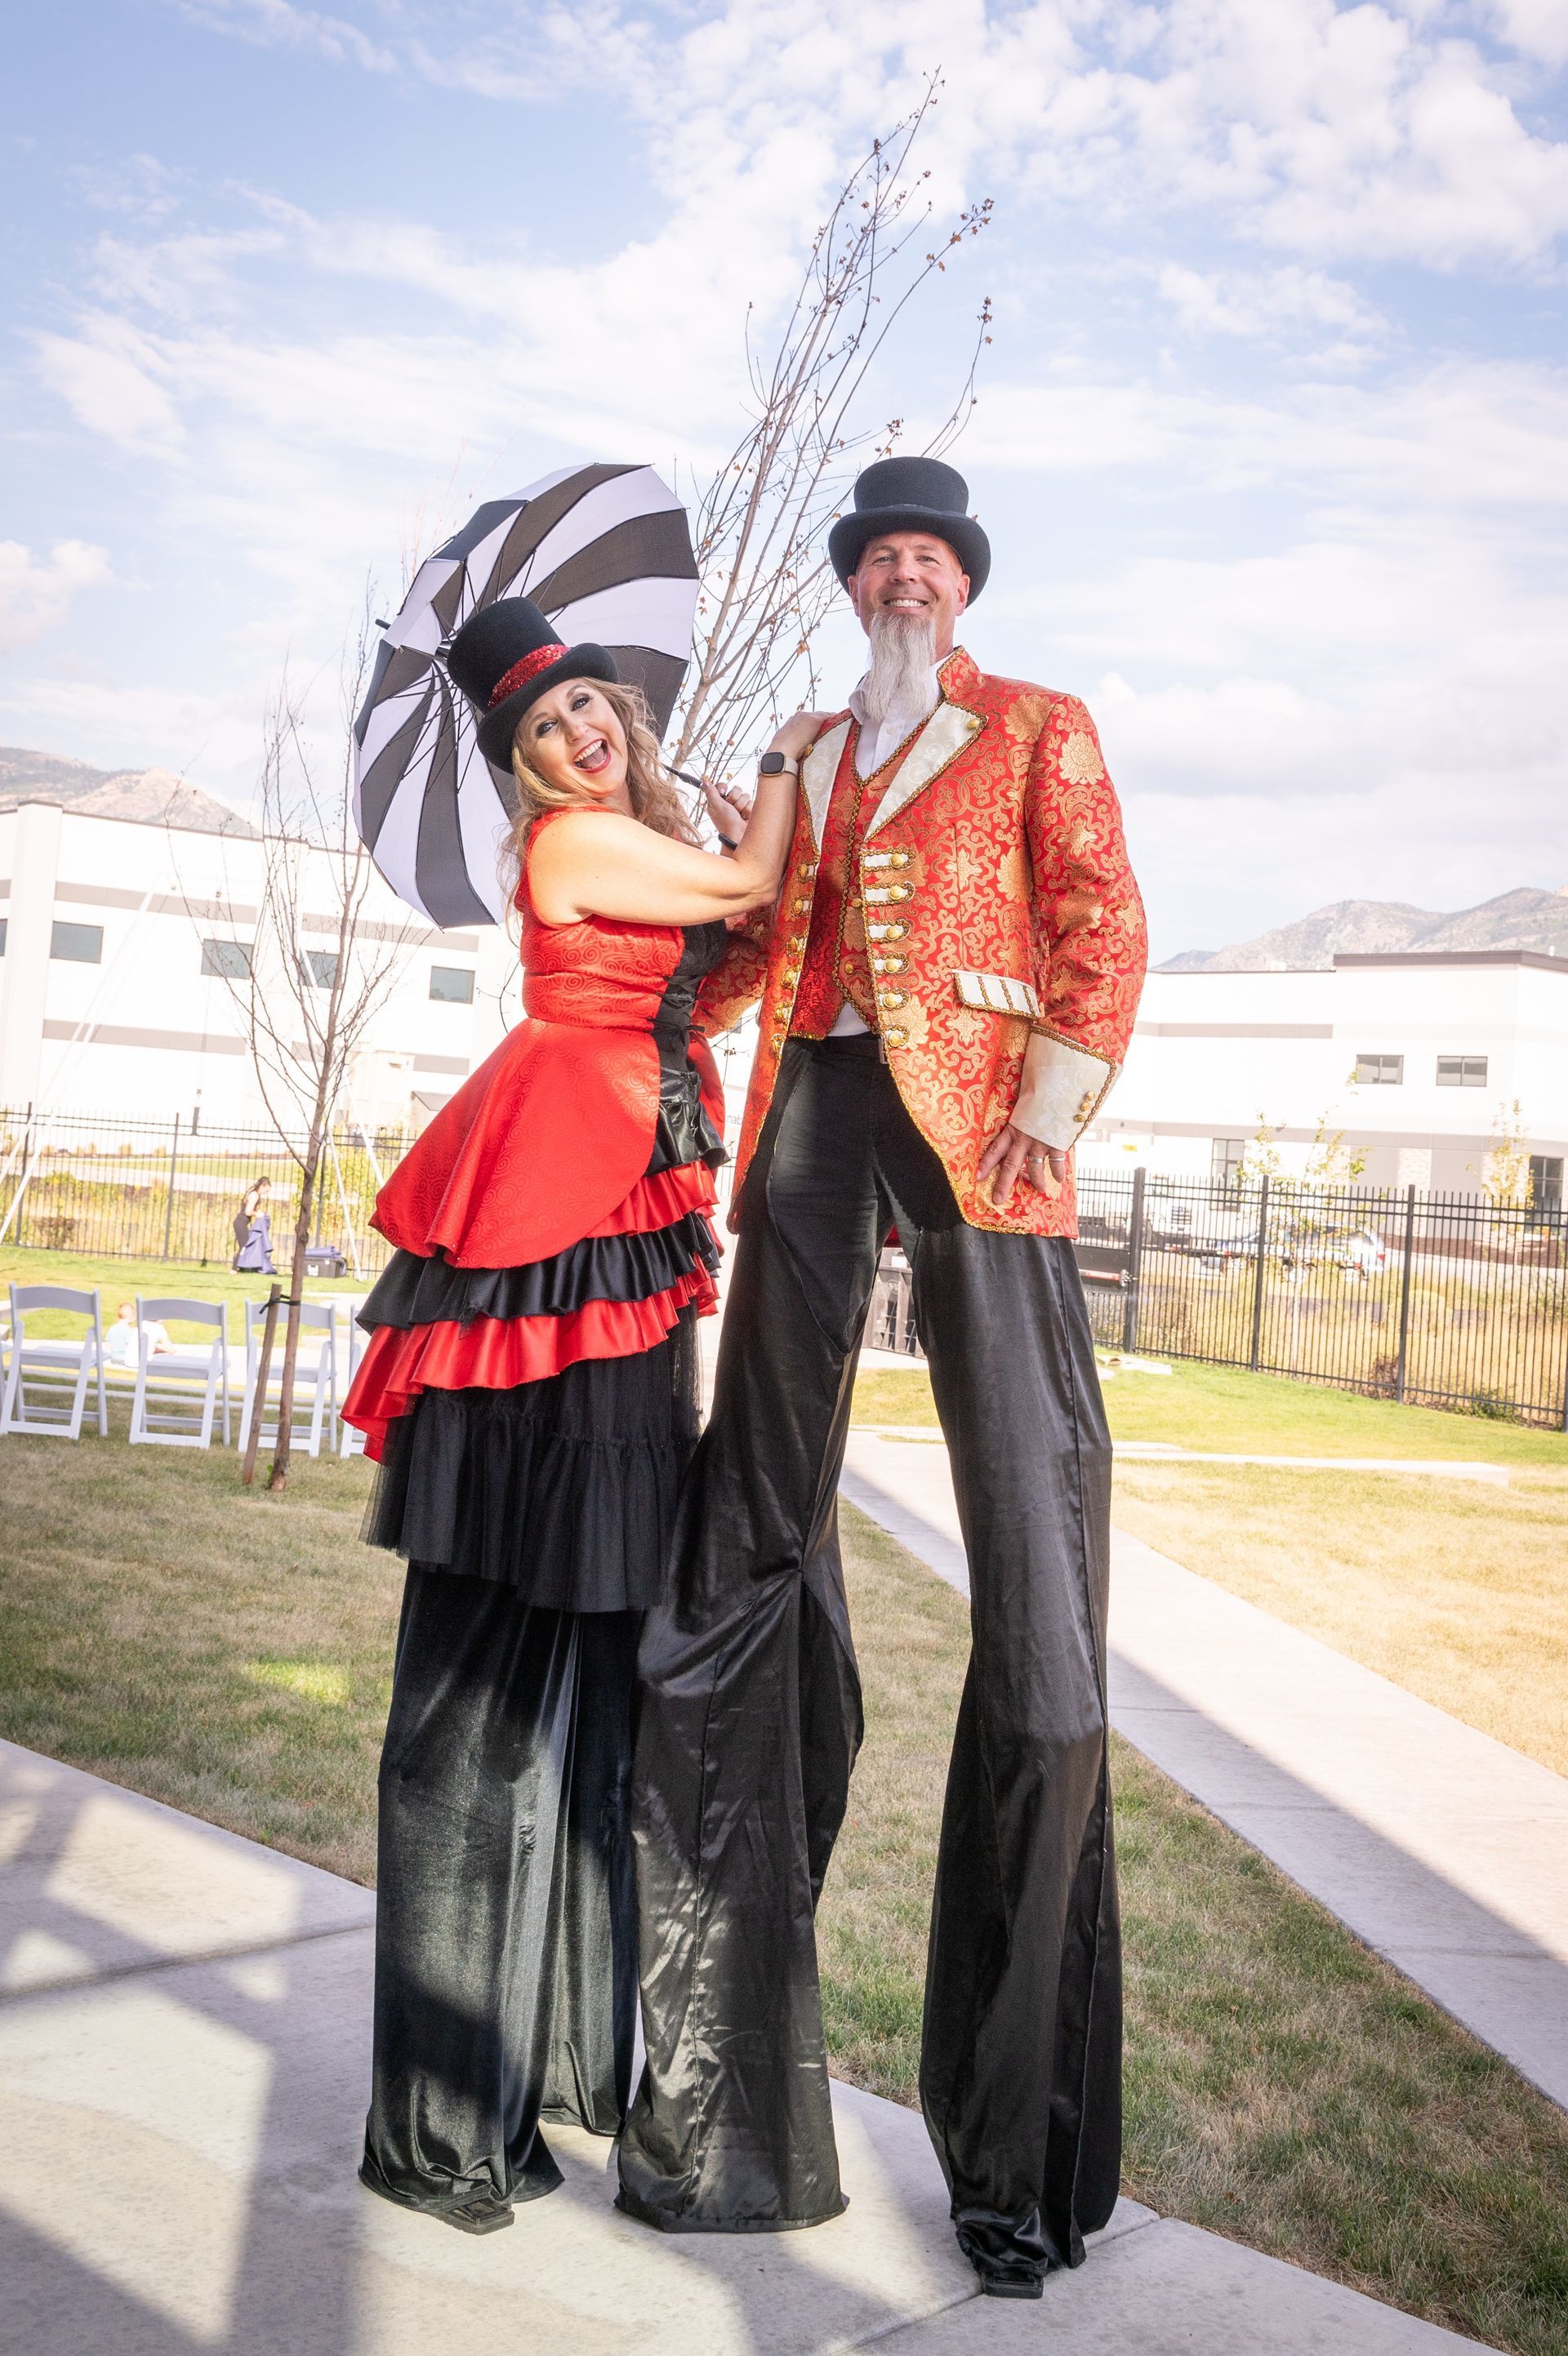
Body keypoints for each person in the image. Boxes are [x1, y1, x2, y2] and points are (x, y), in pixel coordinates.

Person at [617, 458, 1148, 2298]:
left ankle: (1014, 2154)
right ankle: (705, 2057)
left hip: (986, 1128)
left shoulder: (1038, 722)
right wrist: (693, 928)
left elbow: (1101, 919)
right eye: (879, 555)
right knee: (749, 1521)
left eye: (928, 552)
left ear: (961, 582)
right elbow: (770, 934)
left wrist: (1047, 1115)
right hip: (823, 1108)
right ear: (857, 587)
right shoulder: (814, 741)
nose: (902, 572)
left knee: (1034, 1561)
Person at [339, 594, 808, 2237]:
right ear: (521, 769)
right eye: (543, 731)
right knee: (472, 1701)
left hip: (616, 1237)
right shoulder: (571, 853)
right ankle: (433, 2119)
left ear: (618, 706)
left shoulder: (633, 842)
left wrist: (752, 834)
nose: (577, 737)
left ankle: (543, 2084)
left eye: (589, 707)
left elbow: (735, 959)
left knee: (600, 1676)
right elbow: (755, 889)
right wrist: (788, 771)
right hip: (546, 1241)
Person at [105, 1301, 172, 1366]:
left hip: (114, 1358)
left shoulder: (112, 1328)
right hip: (125, 1358)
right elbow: (132, 1346)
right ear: (131, 1317)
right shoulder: (130, 1331)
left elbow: (108, 1344)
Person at [232, 1176, 276, 1274]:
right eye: (266, 1190)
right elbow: (248, 1212)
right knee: (245, 1245)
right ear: (263, 1186)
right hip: (241, 1223)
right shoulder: (255, 1195)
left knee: (246, 1245)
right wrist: (257, 1214)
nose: (266, 1192)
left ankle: (242, 1268)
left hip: (242, 1223)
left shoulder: (253, 1193)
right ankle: (234, 1269)